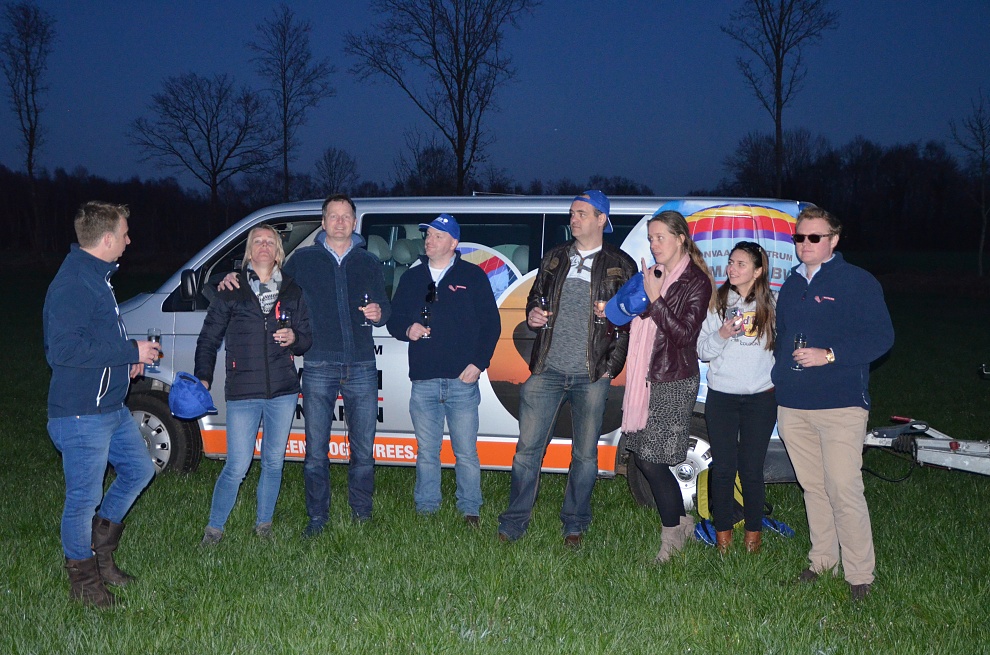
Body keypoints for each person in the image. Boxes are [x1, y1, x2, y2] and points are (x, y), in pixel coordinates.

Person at [220, 193, 390, 536]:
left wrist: (380, 313)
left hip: (361, 364)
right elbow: (268, 280)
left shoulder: (369, 262)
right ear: (324, 222)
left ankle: (361, 513)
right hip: (318, 364)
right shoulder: (304, 260)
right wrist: (231, 278)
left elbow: (385, 306)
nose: (340, 222)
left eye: (346, 216)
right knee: (315, 451)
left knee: (363, 449)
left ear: (354, 222)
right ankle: (317, 517)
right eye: (333, 216)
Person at [497, 190, 637, 547]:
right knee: (527, 452)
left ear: (601, 219)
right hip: (548, 370)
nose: (573, 219)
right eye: (572, 213)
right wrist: (532, 314)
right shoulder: (555, 257)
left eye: (581, 213)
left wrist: (610, 368)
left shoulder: (621, 264)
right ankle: (514, 522)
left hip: (591, 375)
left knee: (585, 456)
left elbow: (627, 324)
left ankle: (575, 522)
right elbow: (535, 299)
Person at [771, 207, 893, 602]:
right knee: (813, 487)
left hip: (840, 403)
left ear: (833, 240)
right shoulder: (791, 285)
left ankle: (860, 575)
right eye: (799, 237)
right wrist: (780, 377)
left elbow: (881, 338)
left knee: (843, 487)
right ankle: (823, 560)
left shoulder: (857, 281)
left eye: (814, 237)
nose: (805, 244)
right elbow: (783, 336)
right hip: (794, 405)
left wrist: (830, 355)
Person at [43, 201, 158, 607]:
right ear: (107, 239)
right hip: (81, 414)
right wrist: (130, 350)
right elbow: (64, 350)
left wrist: (126, 362)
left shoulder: (96, 277)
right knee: (82, 500)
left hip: (109, 409)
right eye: (124, 234)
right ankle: (85, 583)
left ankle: (100, 553)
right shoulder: (74, 283)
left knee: (140, 469)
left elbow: (95, 341)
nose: (129, 240)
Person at [196, 225, 312, 545]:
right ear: (249, 251)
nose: (263, 246)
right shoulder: (231, 289)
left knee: (273, 463)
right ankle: (214, 529)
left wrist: (295, 337)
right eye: (257, 241)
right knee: (237, 465)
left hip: (283, 390)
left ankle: (264, 525)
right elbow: (208, 338)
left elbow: (307, 338)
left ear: (278, 251)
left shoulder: (292, 290)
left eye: (269, 242)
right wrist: (203, 376)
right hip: (243, 390)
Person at [386, 214, 500, 525]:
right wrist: (406, 329)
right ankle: (426, 508)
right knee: (426, 451)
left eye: (438, 236)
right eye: (428, 235)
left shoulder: (473, 276)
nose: (429, 241)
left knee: (466, 451)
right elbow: (394, 319)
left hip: (462, 380)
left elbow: (491, 325)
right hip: (423, 379)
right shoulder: (412, 277)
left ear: (454, 243)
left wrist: (478, 363)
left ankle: (470, 508)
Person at [614, 210, 715, 563]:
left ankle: (673, 533)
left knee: (651, 459)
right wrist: (625, 306)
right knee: (643, 456)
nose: (654, 244)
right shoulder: (654, 274)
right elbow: (640, 322)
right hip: (645, 378)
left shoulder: (696, 281)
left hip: (673, 379)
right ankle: (681, 524)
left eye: (660, 237)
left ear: (681, 238)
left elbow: (684, 335)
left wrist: (655, 299)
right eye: (651, 238)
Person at [696, 241, 777, 554]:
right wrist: (723, 335)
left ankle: (753, 538)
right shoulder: (717, 303)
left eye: (741, 264)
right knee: (724, 469)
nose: (732, 268)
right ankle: (723, 539)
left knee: (752, 470)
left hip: (760, 398)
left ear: (757, 271)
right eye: (731, 262)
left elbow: (781, 349)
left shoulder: (772, 304)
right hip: (722, 398)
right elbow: (703, 350)